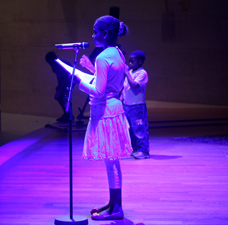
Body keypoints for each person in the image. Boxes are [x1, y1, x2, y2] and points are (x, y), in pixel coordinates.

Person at [75, 15, 132, 220]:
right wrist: (91, 69)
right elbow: (110, 81)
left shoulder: (102, 56)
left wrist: (79, 82)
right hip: (114, 109)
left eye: (95, 31)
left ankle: (117, 209)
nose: (92, 35)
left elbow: (98, 91)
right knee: (112, 161)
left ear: (105, 34)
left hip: (105, 112)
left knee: (111, 161)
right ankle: (113, 203)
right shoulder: (116, 52)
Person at [123, 50, 150, 159]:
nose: (129, 63)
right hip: (127, 105)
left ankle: (143, 151)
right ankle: (134, 149)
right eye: (129, 61)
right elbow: (125, 89)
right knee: (130, 128)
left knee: (139, 128)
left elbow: (134, 85)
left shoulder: (142, 73)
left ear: (140, 61)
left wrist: (127, 72)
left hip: (137, 106)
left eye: (132, 61)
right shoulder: (130, 73)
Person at [45, 51, 73, 122]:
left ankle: (68, 115)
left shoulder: (59, 64)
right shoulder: (54, 65)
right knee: (59, 97)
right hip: (64, 82)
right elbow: (59, 77)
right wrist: (59, 86)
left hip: (69, 81)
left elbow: (65, 76)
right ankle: (67, 114)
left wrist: (61, 87)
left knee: (63, 97)